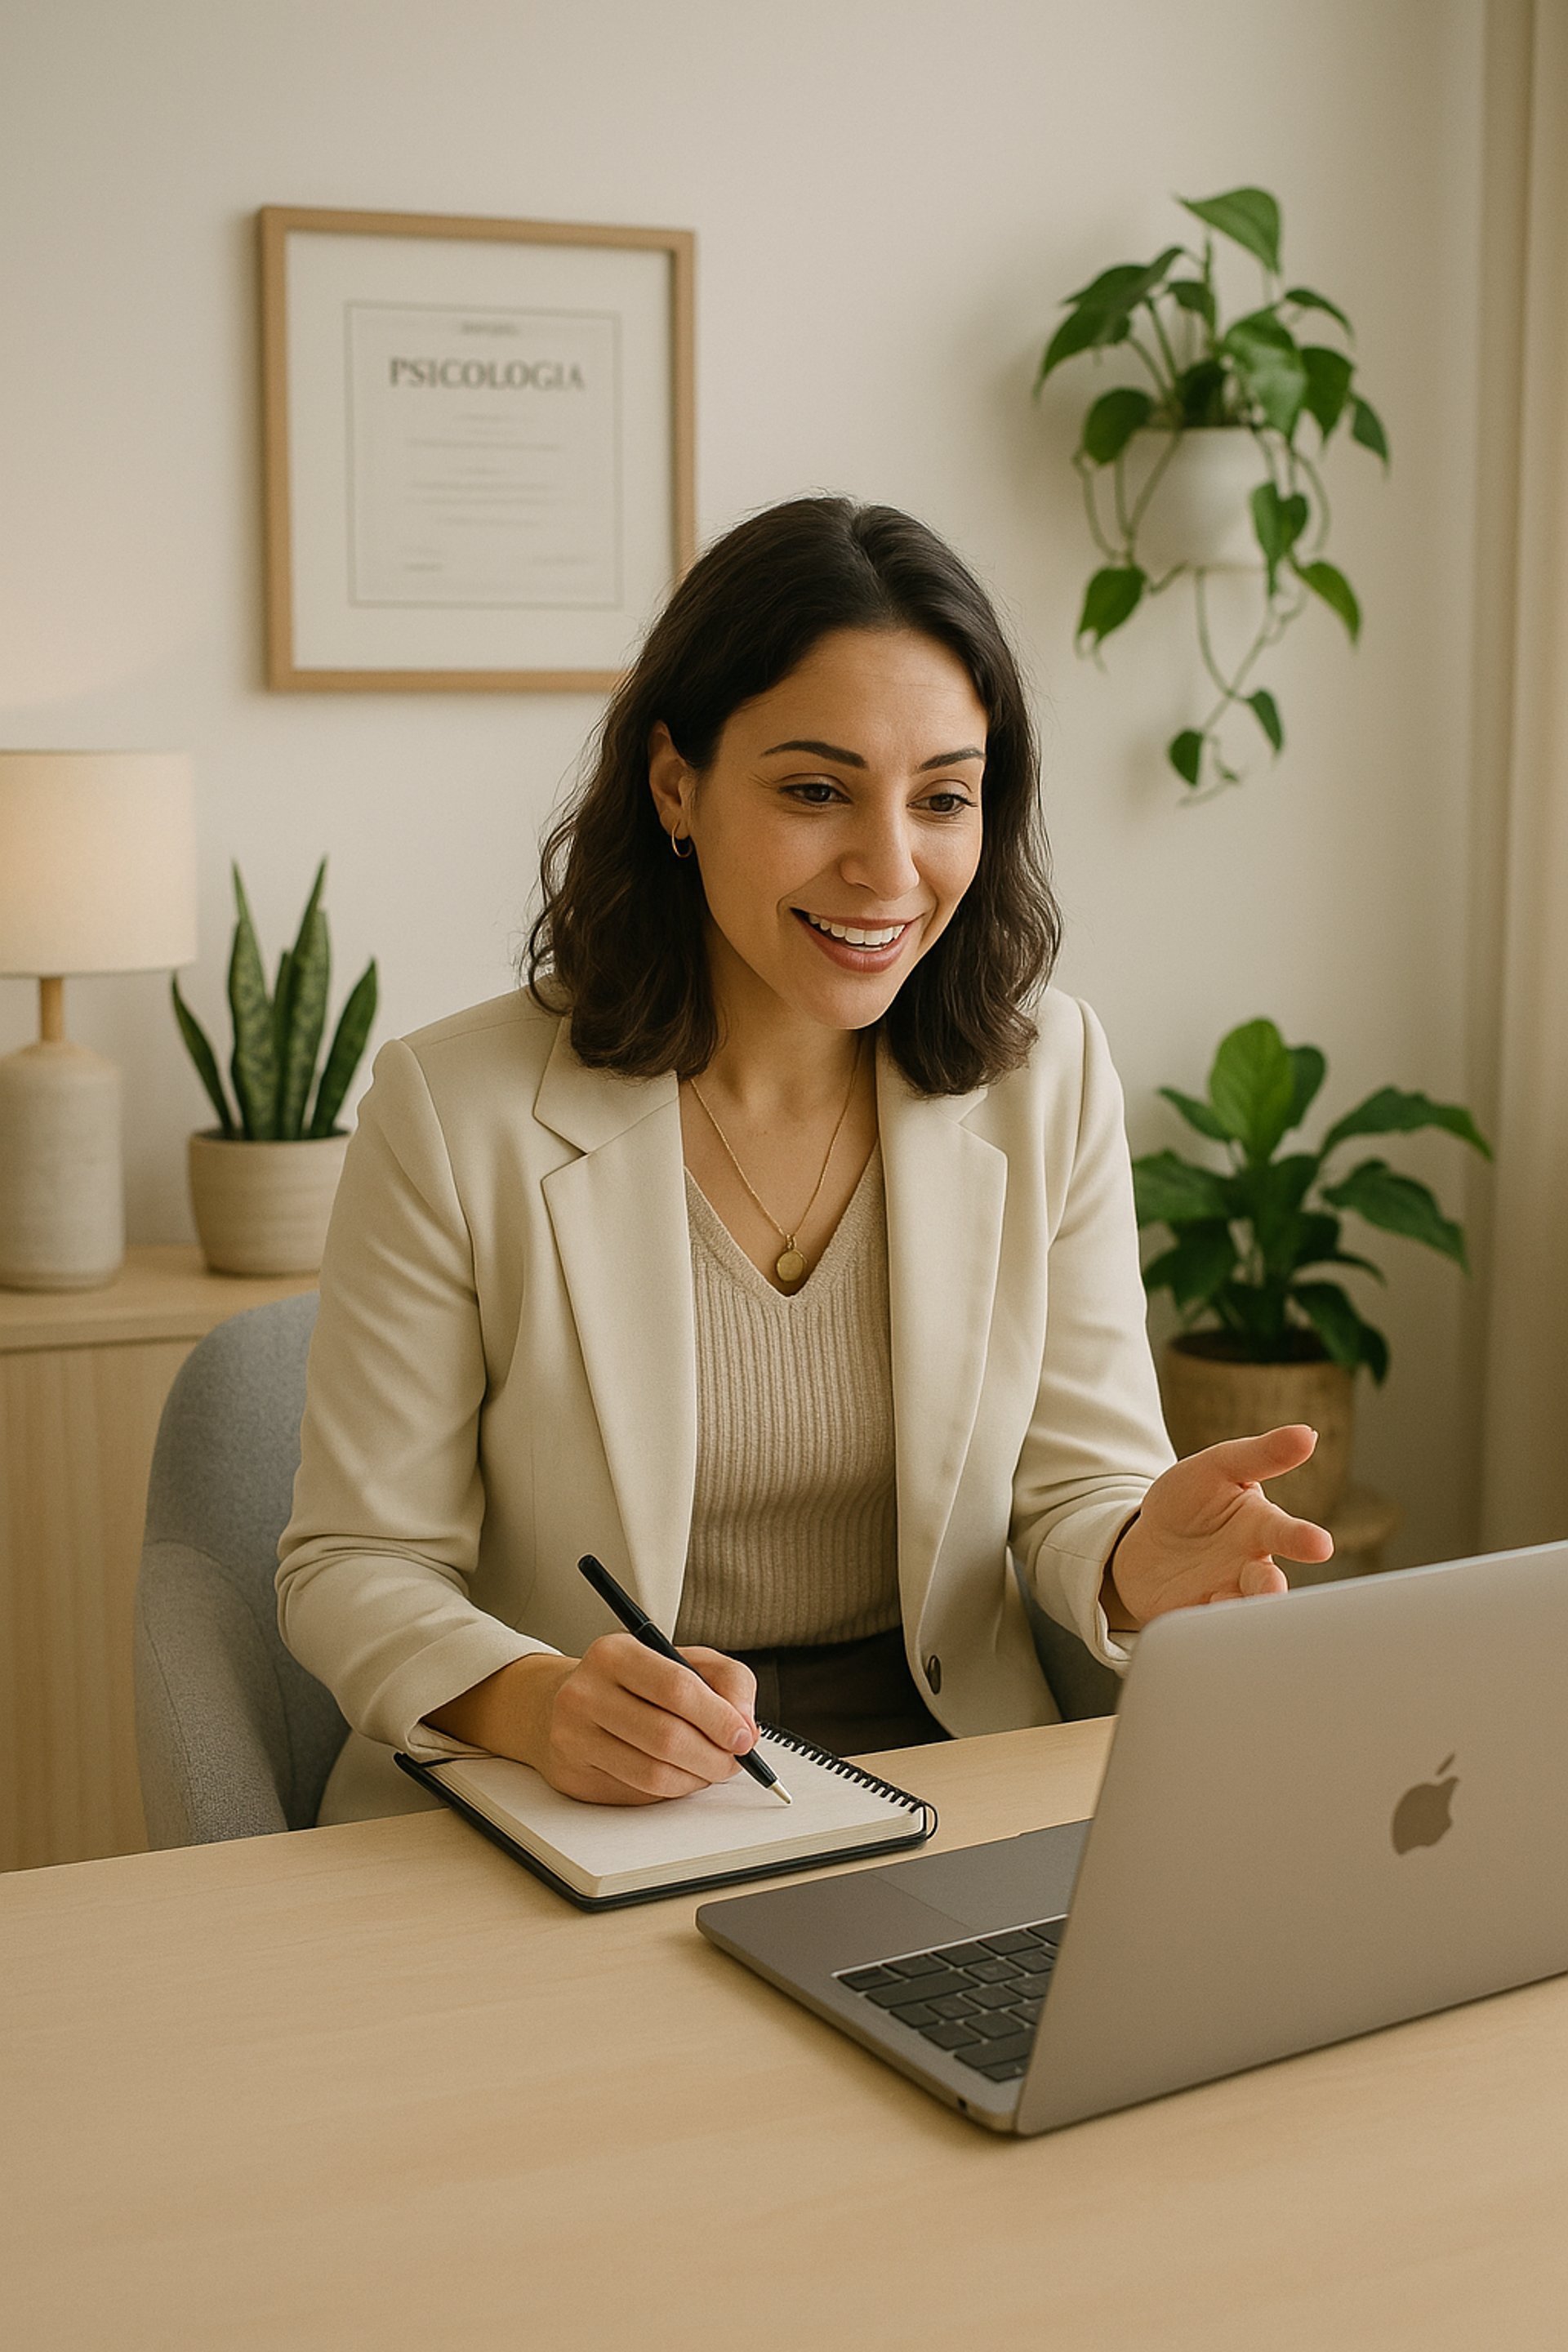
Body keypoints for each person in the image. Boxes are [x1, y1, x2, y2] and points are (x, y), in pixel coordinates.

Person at [278, 497, 1332, 1826]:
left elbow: (1079, 1490)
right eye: (815, 790)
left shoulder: (1046, 1076)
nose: (889, 870)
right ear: (677, 784)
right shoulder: (452, 1107)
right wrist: (538, 1700)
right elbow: (355, 1562)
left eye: (944, 797)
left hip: (947, 1772)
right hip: (569, 1793)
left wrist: (1135, 1562)